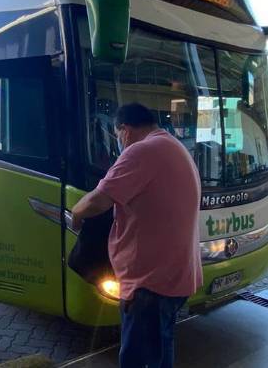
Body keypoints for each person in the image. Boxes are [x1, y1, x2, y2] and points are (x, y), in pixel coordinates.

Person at [71, 103, 202, 368]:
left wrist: (76, 213)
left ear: (125, 131)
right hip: (174, 275)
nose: (119, 141)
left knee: (138, 359)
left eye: (117, 135)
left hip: (151, 283)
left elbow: (98, 200)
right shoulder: (172, 146)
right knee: (160, 350)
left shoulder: (142, 151)